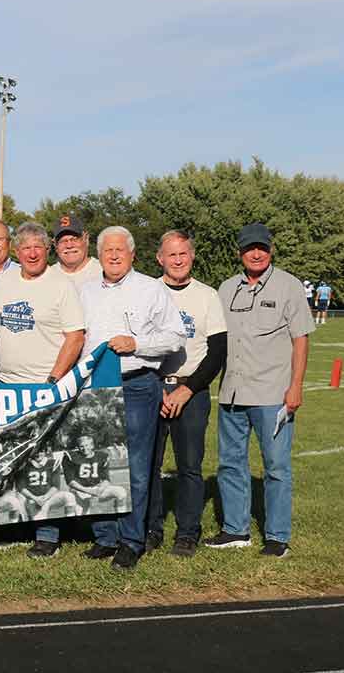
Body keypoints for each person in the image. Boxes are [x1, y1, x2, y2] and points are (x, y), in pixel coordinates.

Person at [71, 226, 185, 570]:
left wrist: (138, 344)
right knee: (100, 462)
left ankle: (131, 540)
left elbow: (176, 337)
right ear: (99, 255)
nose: (115, 255)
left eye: (121, 250)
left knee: (135, 466)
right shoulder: (85, 291)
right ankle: (105, 537)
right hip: (95, 386)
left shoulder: (151, 289)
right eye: (108, 251)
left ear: (133, 254)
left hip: (136, 384)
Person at [209, 222, 312, 558]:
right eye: (249, 248)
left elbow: (301, 339)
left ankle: (277, 537)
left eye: (262, 248)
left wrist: (295, 387)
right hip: (232, 393)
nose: (256, 253)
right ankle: (236, 530)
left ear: (270, 250)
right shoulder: (226, 289)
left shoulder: (289, 286)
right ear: (240, 251)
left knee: (276, 468)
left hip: (272, 395)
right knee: (230, 463)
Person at [147, 230, 227, 557]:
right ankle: (150, 529)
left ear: (192, 256)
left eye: (183, 254)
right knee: (147, 465)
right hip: (151, 387)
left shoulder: (207, 296)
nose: (177, 260)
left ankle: (187, 533)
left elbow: (218, 350)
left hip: (192, 390)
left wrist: (188, 388)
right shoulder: (147, 292)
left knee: (190, 466)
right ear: (160, 258)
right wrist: (156, 386)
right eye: (171, 254)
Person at [0, 222, 85, 385]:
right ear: (17, 252)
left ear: (48, 250)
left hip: (44, 384)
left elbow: (75, 338)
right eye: (26, 248)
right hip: (4, 383)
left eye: (38, 247)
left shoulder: (62, 285)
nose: (32, 254)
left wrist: (52, 380)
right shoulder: (4, 280)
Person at [52, 213, 102, 288]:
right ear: (55, 245)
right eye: (63, 241)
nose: (69, 245)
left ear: (86, 239)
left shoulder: (103, 272)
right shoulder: (48, 276)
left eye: (74, 239)